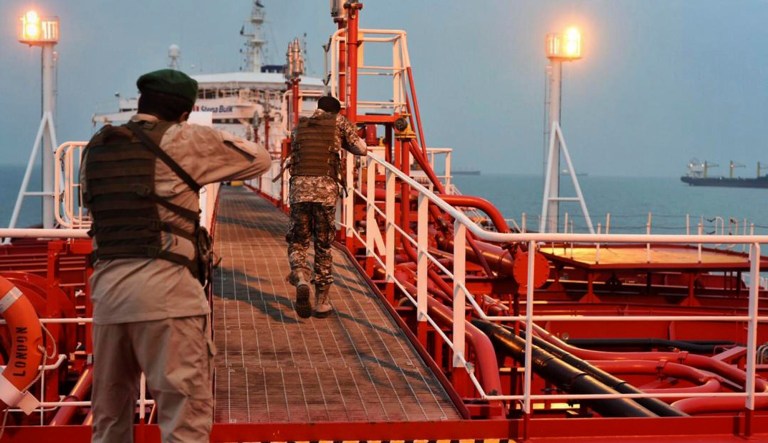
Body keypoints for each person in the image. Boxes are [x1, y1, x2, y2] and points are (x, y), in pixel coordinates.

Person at [80, 69, 271, 443]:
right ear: (185, 112)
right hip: (168, 296)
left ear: (140, 103)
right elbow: (259, 160)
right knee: (184, 419)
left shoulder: (97, 147)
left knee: (108, 422)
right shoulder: (185, 139)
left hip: (107, 298)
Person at [287, 95, 367, 318]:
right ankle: (322, 301)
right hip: (325, 191)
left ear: (318, 109)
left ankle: (301, 275)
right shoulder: (339, 122)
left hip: (299, 190)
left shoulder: (300, 126)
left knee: (298, 241)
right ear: (336, 111)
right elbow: (361, 149)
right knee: (323, 244)